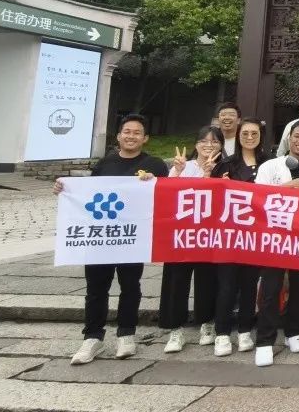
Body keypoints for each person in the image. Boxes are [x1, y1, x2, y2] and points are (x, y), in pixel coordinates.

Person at [57, 114, 168, 365]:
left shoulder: (155, 164)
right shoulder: (104, 164)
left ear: (145, 138)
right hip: (101, 236)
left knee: (131, 286)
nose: (131, 136)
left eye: (137, 132)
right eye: (127, 131)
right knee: (96, 288)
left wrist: (155, 182)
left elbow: (165, 193)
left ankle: (126, 334)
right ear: (118, 136)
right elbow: (86, 194)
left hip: (131, 236)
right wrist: (64, 190)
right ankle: (92, 337)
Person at [254, 119, 299, 367]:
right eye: (297, 136)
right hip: (274, 237)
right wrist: (286, 187)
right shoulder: (269, 166)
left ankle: (294, 331)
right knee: (271, 288)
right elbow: (256, 197)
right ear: (289, 138)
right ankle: (265, 340)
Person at [160, 126, 224, 353]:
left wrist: (209, 176)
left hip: (208, 235)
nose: (209, 145)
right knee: (176, 280)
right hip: (181, 234)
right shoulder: (182, 166)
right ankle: (175, 329)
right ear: (196, 144)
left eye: (214, 141)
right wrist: (177, 172)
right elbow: (166, 195)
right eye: (204, 141)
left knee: (208, 280)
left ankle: (207, 323)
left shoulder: (224, 168)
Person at [210, 117, 265, 356]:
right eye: (245, 133)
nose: (250, 138)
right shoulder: (225, 164)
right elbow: (211, 198)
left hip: (256, 235)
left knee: (249, 285)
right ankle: (222, 333)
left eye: (255, 134)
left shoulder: (269, 163)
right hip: (229, 235)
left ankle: (244, 330)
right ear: (238, 136)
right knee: (227, 285)